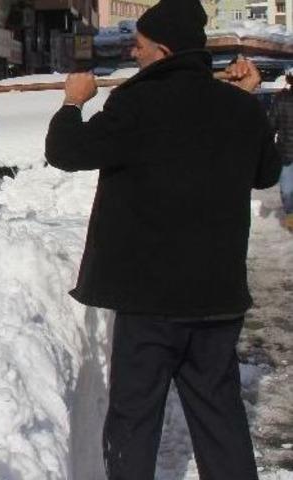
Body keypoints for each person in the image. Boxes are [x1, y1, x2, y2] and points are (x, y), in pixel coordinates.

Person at [43, 0, 282, 478]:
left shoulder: (135, 103)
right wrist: (247, 101)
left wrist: (73, 102)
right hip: (217, 298)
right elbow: (265, 173)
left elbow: (66, 152)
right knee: (219, 416)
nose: (134, 52)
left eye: (141, 45)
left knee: (134, 418)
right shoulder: (240, 108)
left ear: (165, 50)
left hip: (148, 301)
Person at [268, 68, 293, 230]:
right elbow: (271, 125)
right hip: (286, 153)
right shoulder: (281, 99)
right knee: (287, 191)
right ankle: (291, 218)